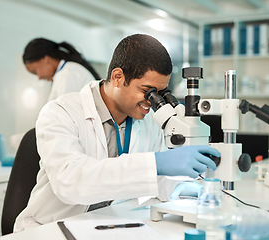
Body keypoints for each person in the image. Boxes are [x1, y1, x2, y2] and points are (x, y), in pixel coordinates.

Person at [14, 34, 220, 232]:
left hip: (104, 224)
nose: (152, 101)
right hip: (50, 229)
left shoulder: (149, 123)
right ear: (118, 77)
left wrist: (180, 186)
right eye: (147, 91)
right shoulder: (60, 112)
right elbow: (71, 181)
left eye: (160, 93)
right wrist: (156, 162)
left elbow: (152, 178)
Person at [22, 38, 100, 101]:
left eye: (35, 72)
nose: (39, 77)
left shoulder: (69, 74)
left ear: (45, 59)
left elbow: (66, 115)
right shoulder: (65, 72)